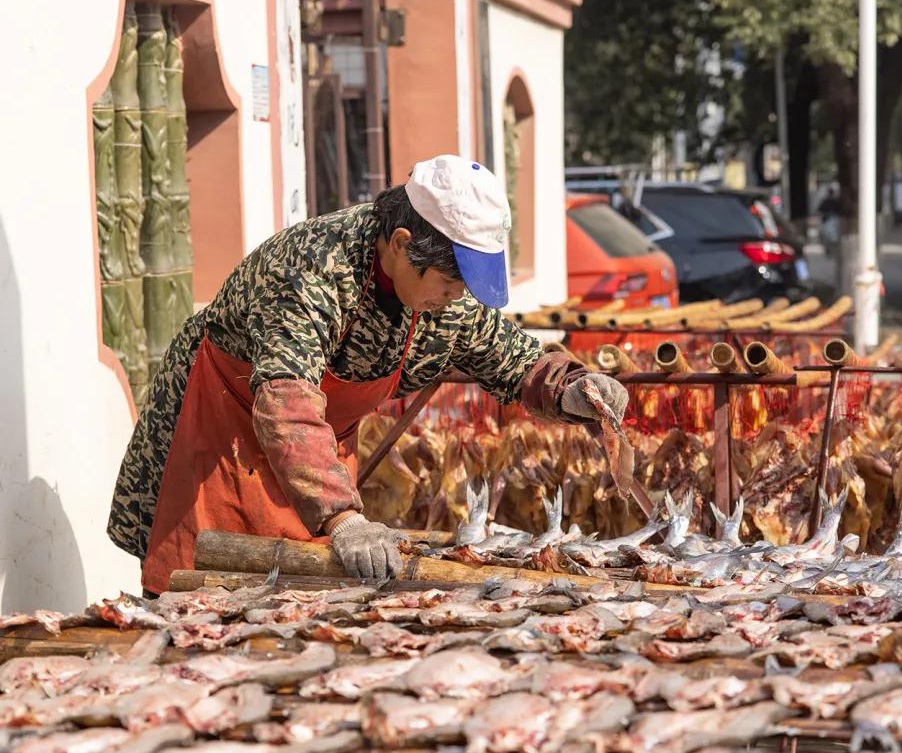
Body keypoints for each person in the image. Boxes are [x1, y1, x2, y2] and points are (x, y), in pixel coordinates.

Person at [108, 155, 628, 591]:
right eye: (450, 283)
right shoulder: (313, 268)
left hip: (313, 457)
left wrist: (571, 389)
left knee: (300, 601)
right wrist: (344, 519)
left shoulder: (446, 297)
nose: (456, 299)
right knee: (201, 596)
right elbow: (286, 403)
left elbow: (508, 355)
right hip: (221, 436)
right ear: (401, 244)